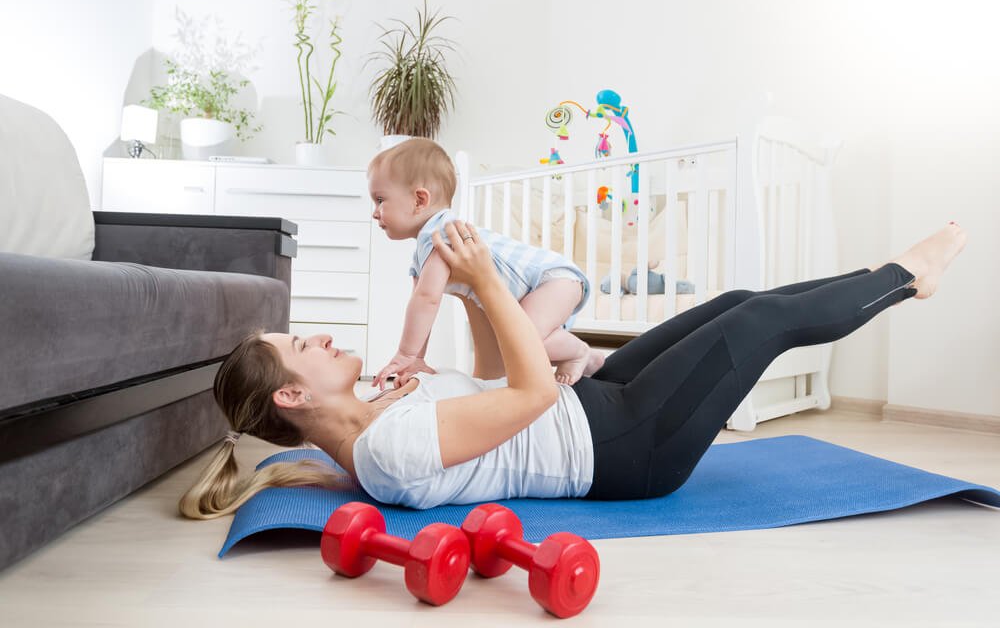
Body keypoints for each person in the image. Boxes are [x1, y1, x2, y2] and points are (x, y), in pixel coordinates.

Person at [180, 219, 966, 518]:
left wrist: (467, 300)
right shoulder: (386, 454)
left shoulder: (382, 410)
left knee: (734, 301)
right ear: (291, 392)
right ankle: (903, 279)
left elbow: (493, 377)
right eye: (302, 346)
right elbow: (524, 391)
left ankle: (864, 282)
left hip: (597, 403)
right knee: (758, 325)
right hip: (628, 449)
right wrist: (489, 280)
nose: (319, 338)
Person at [368, 137, 604, 388]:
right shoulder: (423, 251)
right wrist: (416, 358)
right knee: (518, 344)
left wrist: (405, 354)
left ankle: (580, 352)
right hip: (542, 285)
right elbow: (420, 305)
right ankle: (584, 358)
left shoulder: (443, 234)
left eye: (380, 200)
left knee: (522, 342)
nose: (374, 212)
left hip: (551, 279)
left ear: (419, 200)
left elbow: (427, 300)